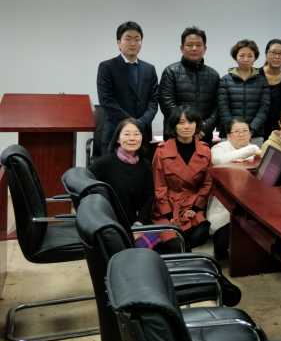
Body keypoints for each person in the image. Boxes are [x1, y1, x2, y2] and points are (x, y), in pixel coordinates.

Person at [152, 106, 213, 252]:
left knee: (202, 233)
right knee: (174, 242)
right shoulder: (162, 151)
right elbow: (159, 186)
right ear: (174, 125)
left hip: (192, 204)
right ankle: (180, 252)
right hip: (168, 206)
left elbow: (207, 183)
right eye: (181, 122)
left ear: (197, 125)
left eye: (191, 122)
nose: (186, 126)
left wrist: (195, 208)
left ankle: (182, 252)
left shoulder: (205, 150)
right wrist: (168, 213)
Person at [96, 21, 158, 154]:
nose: (133, 43)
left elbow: (153, 102)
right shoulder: (107, 67)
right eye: (128, 38)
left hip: (142, 133)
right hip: (115, 133)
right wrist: (132, 124)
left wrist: (141, 122)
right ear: (119, 43)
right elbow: (106, 100)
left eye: (137, 39)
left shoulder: (149, 69)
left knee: (143, 167)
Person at [207, 118, 259, 258]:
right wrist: (251, 150)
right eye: (236, 131)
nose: (241, 134)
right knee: (222, 243)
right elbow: (219, 161)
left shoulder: (256, 150)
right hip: (224, 204)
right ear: (229, 135)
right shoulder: (220, 148)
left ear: (250, 134)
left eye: (245, 131)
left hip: (250, 202)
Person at [89, 118, 154, 225]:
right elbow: (86, 185)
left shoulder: (145, 165)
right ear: (118, 139)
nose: (132, 138)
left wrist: (140, 222)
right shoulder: (104, 163)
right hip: (110, 224)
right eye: (127, 134)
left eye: (136, 134)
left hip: (138, 225)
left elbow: (149, 197)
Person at [159, 26, 219, 141]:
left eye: (198, 45)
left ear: (205, 48)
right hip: (175, 134)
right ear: (182, 48)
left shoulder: (214, 75)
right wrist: (186, 127)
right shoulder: (171, 72)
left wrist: (202, 128)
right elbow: (167, 104)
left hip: (203, 135)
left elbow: (217, 108)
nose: (194, 48)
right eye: (189, 45)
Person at [217, 39, 270, 141]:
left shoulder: (262, 81)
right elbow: (223, 108)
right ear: (235, 56)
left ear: (255, 57)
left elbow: (264, 108)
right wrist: (233, 129)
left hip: (254, 135)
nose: (246, 59)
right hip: (230, 134)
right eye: (242, 55)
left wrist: (251, 130)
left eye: (250, 56)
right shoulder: (225, 80)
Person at [260, 39, 281, 141]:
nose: (277, 57)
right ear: (266, 54)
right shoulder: (256, 75)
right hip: (259, 130)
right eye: (273, 53)